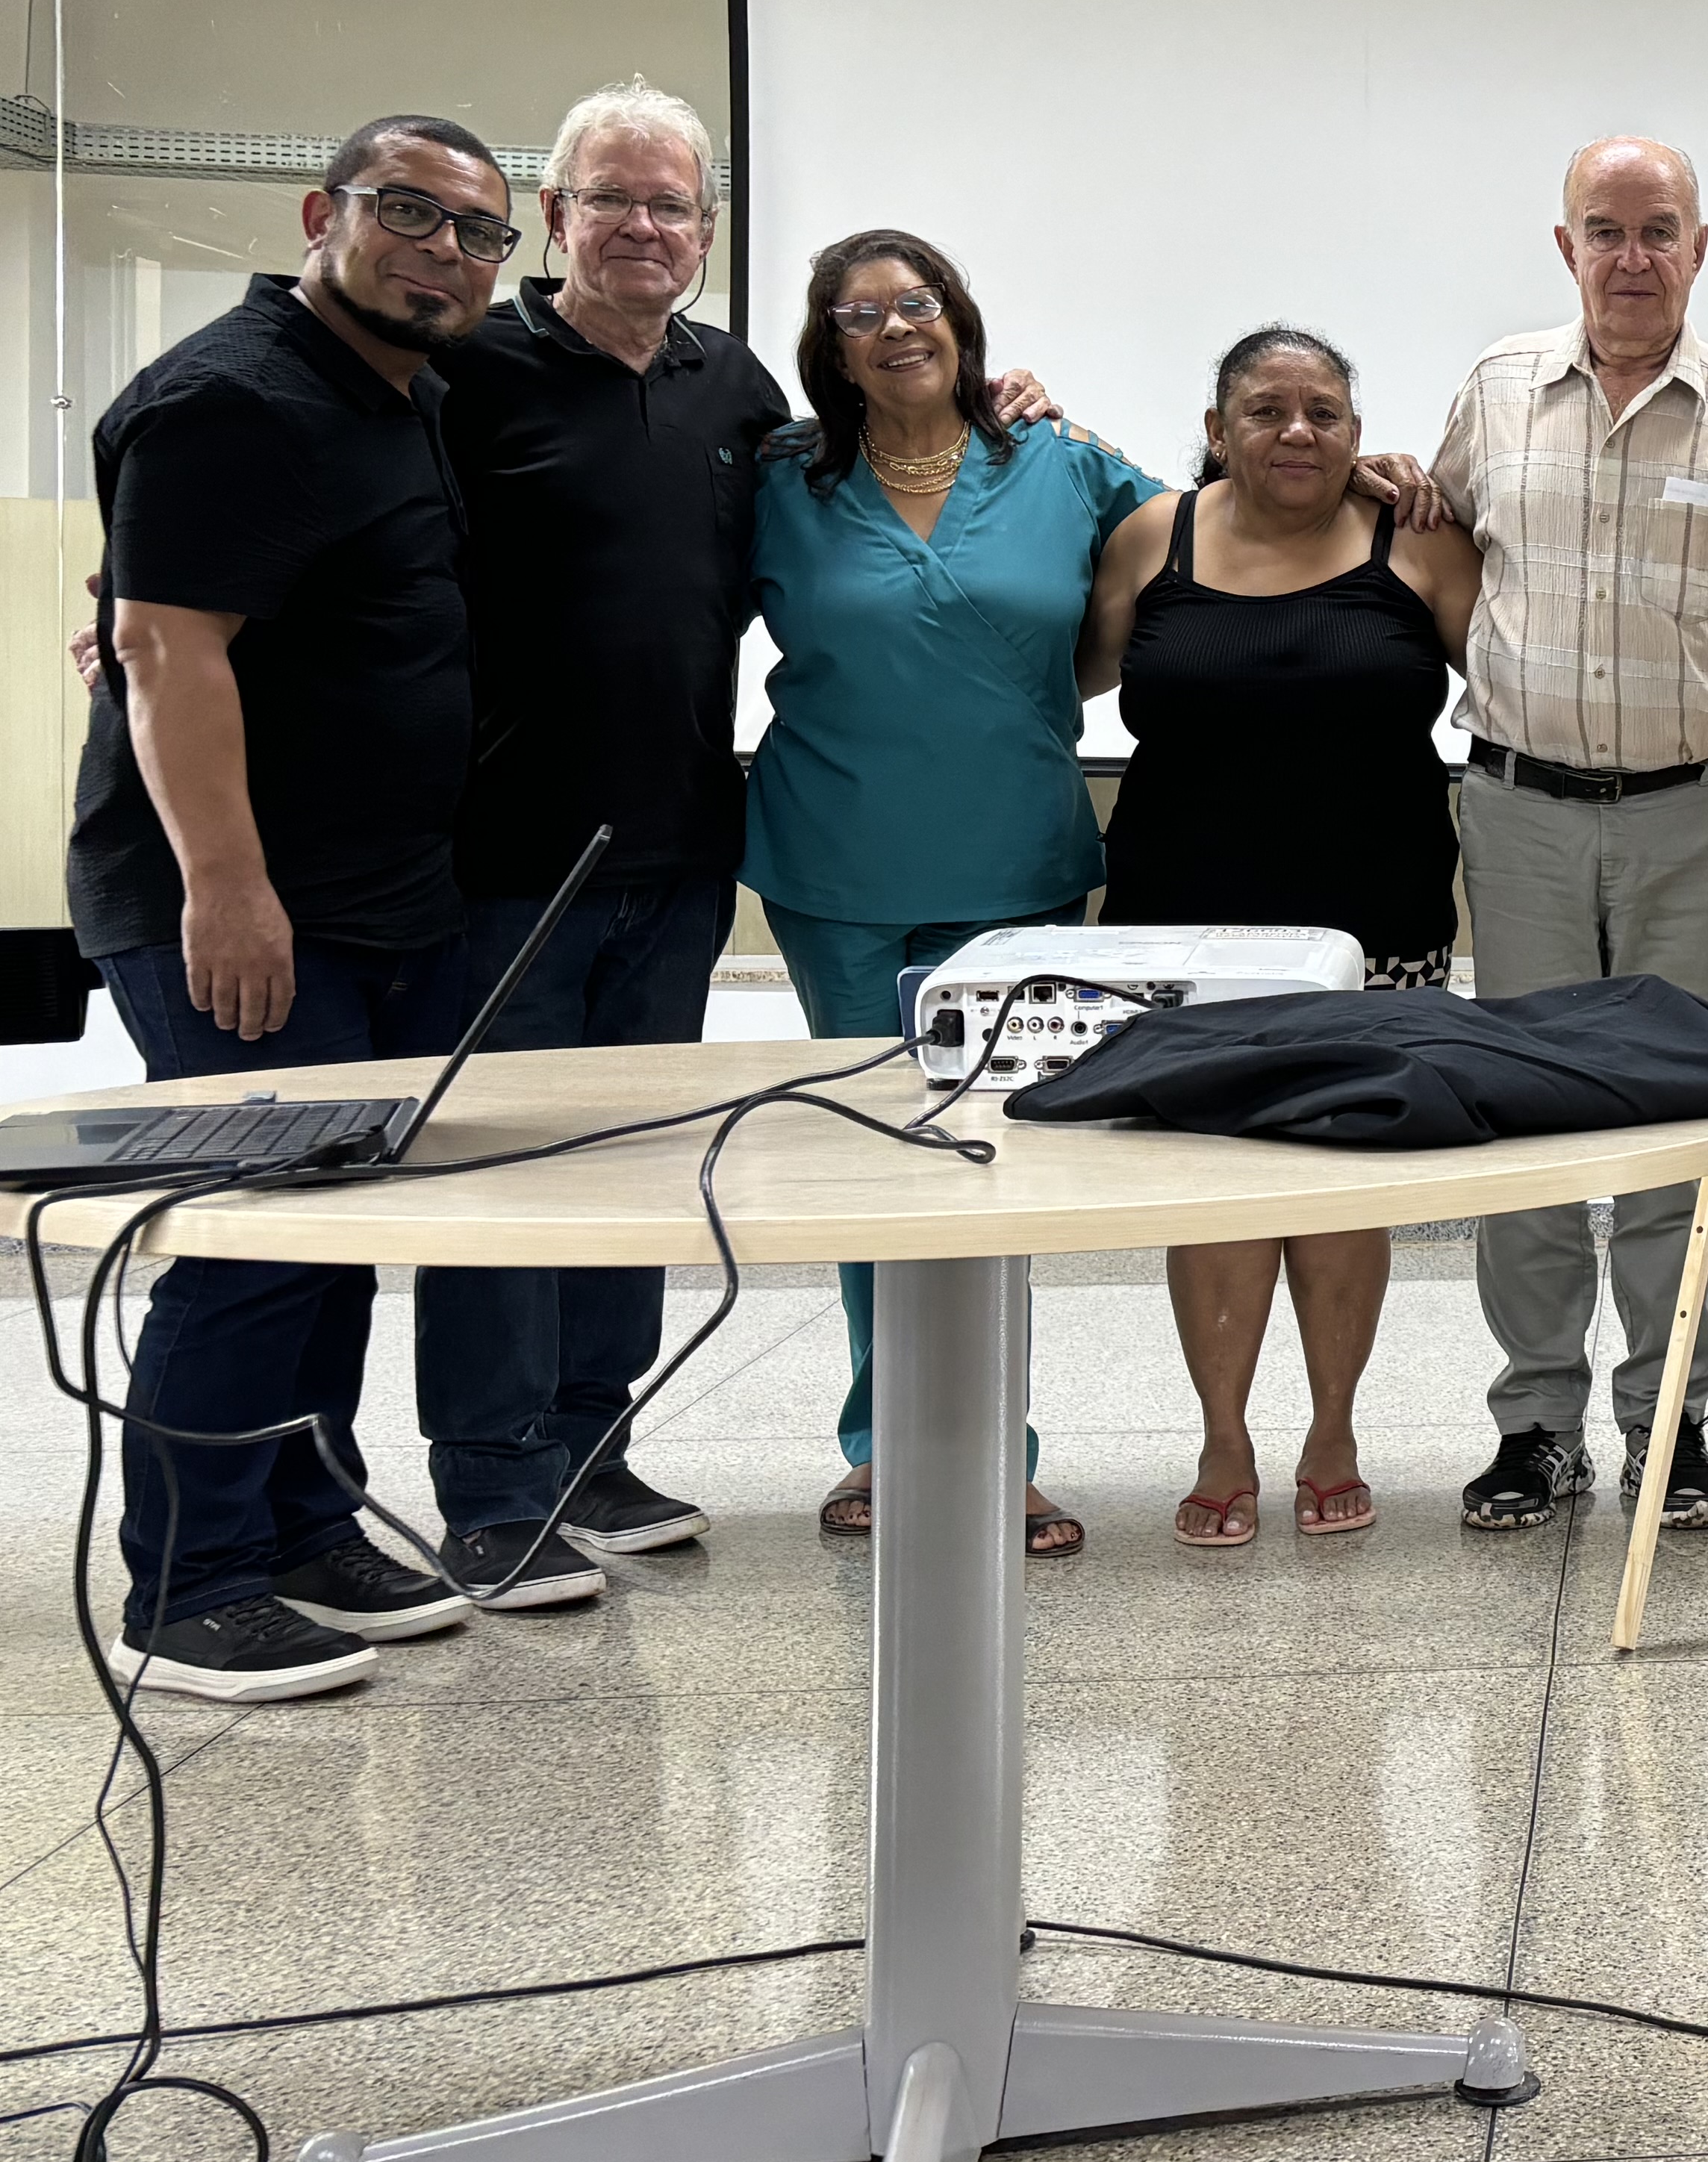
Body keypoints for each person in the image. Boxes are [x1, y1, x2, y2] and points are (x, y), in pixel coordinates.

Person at [70, 118, 506, 1700]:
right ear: (325, 213)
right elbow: (167, 651)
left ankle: (307, 1524)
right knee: (257, 1242)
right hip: (243, 906)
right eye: (411, 215)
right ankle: (190, 1584)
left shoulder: (398, 392)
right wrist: (229, 887)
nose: (444, 253)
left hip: (376, 899)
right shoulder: (232, 396)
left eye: (476, 234)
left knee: (335, 1240)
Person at [408, 79, 788, 1590]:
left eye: (673, 203)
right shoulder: (468, 371)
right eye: (613, 198)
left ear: (704, 232)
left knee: (632, 1160)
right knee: (505, 1175)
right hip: (505, 861)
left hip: (680, 850)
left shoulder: (733, 384)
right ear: (554, 218)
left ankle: (591, 1450)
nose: (645, 224)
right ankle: (493, 1489)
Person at [744, 227, 1164, 1559]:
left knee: (989, 1161)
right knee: (879, 1154)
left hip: (1015, 869)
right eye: (858, 312)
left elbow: (1222, 524)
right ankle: (883, 1447)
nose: (893, 326)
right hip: (840, 866)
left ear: (960, 322)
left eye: (915, 301)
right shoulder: (776, 481)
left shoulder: (1061, 461)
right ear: (831, 346)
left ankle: (993, 1450)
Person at [1434, 137, 1708, 1539]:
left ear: (1699, 248)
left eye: (1660, 230)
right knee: (1523, 1127)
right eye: (1607, 229)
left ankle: (1668, 1423)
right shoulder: (1490, 394)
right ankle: (1534, 1421)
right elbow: (1438, 559)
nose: (1633, 256)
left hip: (1700, 811)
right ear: (1566, 245)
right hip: (1521, 810)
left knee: (1678, 1125)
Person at [1085, 326, 1479, 1546]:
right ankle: (1222, 1434)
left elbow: (1522, 689)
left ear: (1360, 435)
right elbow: (1061, 677)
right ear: (1215, 427)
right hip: (1179, 926)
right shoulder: (1156, 537)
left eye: (1324, 410)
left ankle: (1332, 1427)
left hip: (1378, 924)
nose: (1297, 430)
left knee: (1341, 1188)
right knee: (1213, 1191)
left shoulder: (1414, 540)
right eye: (1266, 409)